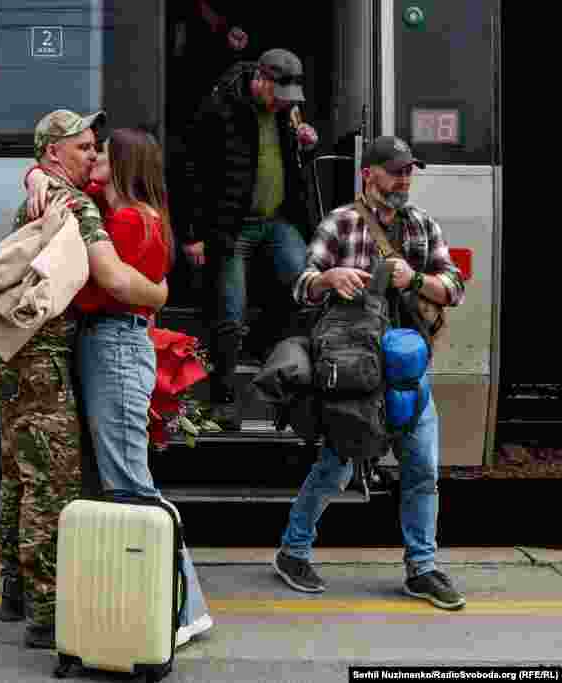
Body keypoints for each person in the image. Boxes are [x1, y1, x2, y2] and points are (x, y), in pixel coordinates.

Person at [0, 110, 170, 649]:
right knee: (52, 482)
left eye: (96, 147)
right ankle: (45, 615)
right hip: (41, 359)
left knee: (19, 470)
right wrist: (159, 293)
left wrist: (34, 176)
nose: (93, 155)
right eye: (84, 147)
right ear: (54, 154)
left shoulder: (41, 193)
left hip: (8, 353)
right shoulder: (75, 203)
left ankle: (13, 589)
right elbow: (114, 279)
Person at [26, 127, 215, 645]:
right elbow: (53, 179)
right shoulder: (136, 212)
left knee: (130, 482)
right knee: (122, 477)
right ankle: (152, 604)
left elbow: (100, 289)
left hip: (113, 345)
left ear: (124, 164)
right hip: (117, 345)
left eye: (102, 154)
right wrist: (36, 176)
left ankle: (184, 607)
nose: (92, 159)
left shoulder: (130, 220)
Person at [273, 136, 467, 611]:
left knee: (422, 470)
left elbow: (454, 287)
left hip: (409, 373)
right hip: (354, 373)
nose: (404, 179)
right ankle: (293, 551)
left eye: (408, 171)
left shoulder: (421, 224)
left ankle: (422, 568)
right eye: (395, 171)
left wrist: (414, 279)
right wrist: (327, 278)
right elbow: (300, 285)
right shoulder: (340, 223)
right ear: (368, 173)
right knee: (335, 468)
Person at [182, 47, 319, 431]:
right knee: (230, 312)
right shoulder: (220, 106)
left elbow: (295, 173)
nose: (284, 104)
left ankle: (269, 354)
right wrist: (192, 234)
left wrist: (305, 146)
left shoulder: (286, 113)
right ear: (260, 80)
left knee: (307, 283)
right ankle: (223, 398)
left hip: (275, 220)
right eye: (279, 95)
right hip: (232, 225)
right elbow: (191, 171)